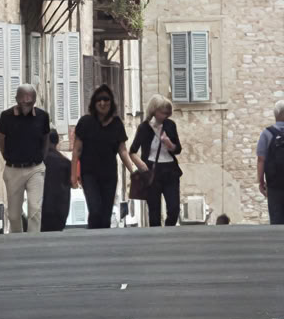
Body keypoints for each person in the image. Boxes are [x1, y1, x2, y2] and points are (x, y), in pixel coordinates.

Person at [72, 83, 132, 228]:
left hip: (109, 175)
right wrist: (73, 174)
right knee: (95, 210)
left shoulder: (117, 124)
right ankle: (92, 240)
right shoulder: (85, 122)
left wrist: (133, 170)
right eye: (99, 100)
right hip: (89, 174)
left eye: (106, 99)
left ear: (111, 103)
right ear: (94, 103)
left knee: (106, 215)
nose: (102, 103)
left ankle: (103, 244)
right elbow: (76, 150)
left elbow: (122, 150)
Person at [0, 83, 49, 233]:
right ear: (16, 99)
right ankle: (17, 241)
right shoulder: (6, 116)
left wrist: (41, 157)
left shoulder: (42, 117)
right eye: (23, 99)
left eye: (29, 100)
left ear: (35, 100)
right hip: (13, 169)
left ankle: (33, 242)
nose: (26, 102)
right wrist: (6, 156)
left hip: (35, 168)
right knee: (13, 214)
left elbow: (46, 138)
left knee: (35, 208)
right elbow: (0, 137)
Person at [130, 97, 183, 226]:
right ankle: (157, 238)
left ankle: (169, 232)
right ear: (154, 111)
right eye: (163, 112)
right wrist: (141, 165)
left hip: (170, 170)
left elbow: (178, 149)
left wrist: (169, 144)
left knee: (174, 208)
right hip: (152, 171)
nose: (166, 115)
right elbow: (132, 151)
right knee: (154, 211)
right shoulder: (144, 128)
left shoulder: (170, 125)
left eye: (167, 112)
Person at [40, 127, 72, 231]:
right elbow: (70, 184)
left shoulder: (39, 162)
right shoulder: (66, 162)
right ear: (57, 141)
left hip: (43, 210)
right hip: (60, 210)